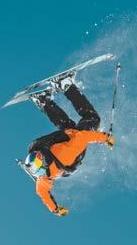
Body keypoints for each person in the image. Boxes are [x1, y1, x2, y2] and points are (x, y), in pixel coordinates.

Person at [24, 75, 115, 216]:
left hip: (70, 140)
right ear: (42, 168)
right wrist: (54, 209)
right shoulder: (45, 175)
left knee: (91, 119)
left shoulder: (53, 166)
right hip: (67, 139)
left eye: (37, 156)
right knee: (69, 125)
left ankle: (66, 86)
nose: (39, 156)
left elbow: (83, 137)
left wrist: (105, 138)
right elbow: (42, 192)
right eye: (38, 161)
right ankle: (45, 100)